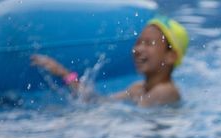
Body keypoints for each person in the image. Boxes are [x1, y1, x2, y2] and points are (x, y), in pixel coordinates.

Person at [30, 15, 189, 107]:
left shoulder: (166, 91)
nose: (138, 49)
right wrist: (64, 73)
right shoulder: (137, 89)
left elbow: (131, 120)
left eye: (148, 43)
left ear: (171, 56)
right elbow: (97, 101)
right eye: (138, 42)